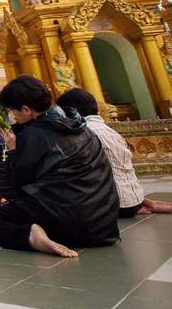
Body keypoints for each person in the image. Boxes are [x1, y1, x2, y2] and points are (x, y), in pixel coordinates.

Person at [0, 75, 119, 258]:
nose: (13, 117)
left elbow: (17, 185)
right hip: (104, 224)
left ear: (26, 110)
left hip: (69, 222)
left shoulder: (34, 135)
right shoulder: (81, 126)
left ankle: (32, 236)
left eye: (13, 112)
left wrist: (12, 152)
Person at [57, 87, 172, 218]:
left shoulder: (83, 133)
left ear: (74, 111)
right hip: (133, 198)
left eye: (63, 113)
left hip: (117, 204)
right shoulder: (109, 130)